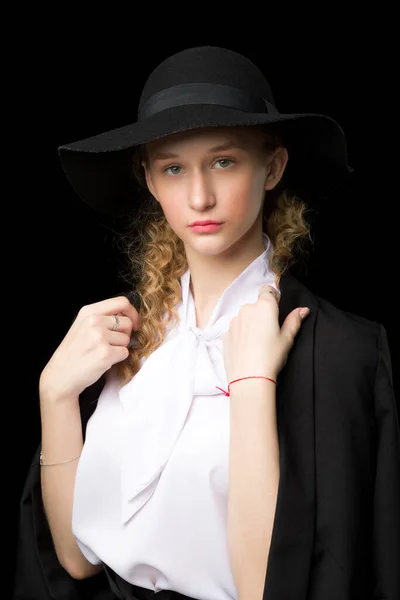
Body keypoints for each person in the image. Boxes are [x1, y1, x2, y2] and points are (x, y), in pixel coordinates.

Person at [14, 46, 399, 600]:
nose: (199, 196)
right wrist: (54, 394)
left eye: (224, 161)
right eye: (173, 168)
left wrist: (251, 386)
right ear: (149, 180)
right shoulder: (117, 335)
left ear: (273, 166)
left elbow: (269, 586)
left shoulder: (342, 353)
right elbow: (76, 560)